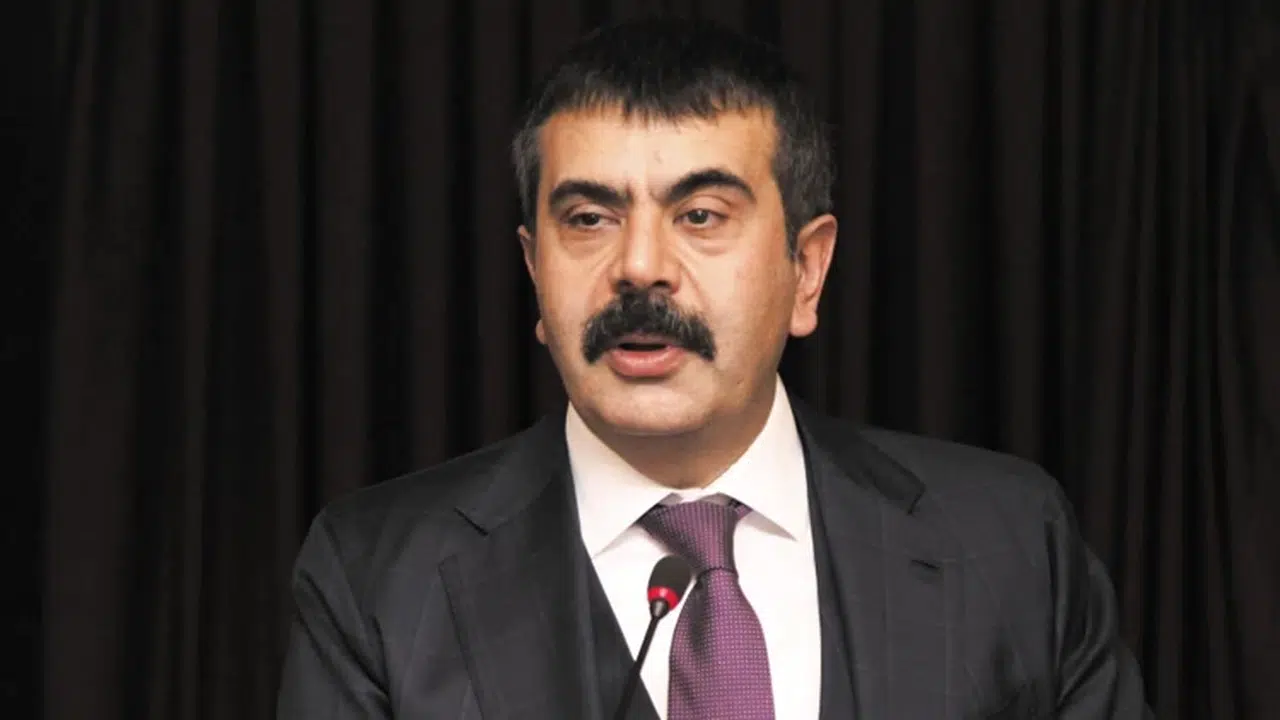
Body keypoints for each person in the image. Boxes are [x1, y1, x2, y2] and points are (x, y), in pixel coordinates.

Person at [277, 17, 1152, 719]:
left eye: (699, 215)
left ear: (806, 271)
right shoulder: (377, 578)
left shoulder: (1011, 542)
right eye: (588, 219)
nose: (639, 268)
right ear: (535, 270)